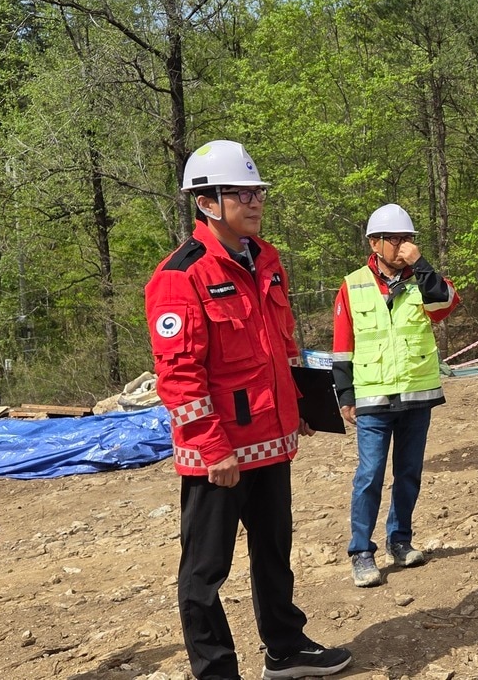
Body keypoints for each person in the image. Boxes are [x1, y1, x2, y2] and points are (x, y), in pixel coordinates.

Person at [145, 140, 351, 680]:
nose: (255, 202)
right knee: (205, 572)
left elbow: (282, 345)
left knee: (274, 554)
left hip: (270, 438)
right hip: (219, 454)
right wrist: (212, 448)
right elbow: (178, 376)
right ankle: (215, 671)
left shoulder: (266, 258)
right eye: (241, 193)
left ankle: (284, 648)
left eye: (257, 192)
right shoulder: (179, 276)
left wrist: (298, 404)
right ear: (207, 202)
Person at [332, 203, 460, 588]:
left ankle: (400, 541)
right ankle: (361, 551)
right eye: (397, 239)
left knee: (408, 474)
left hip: (417, 393)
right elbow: (343, 346)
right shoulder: (352, 284)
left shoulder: (424, 278)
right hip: (372, 396)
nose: (404, 245)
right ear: (375, 243)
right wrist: (345, 395)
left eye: (409, 239)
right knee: (369, 475)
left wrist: (421, 265)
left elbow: (445, 304)